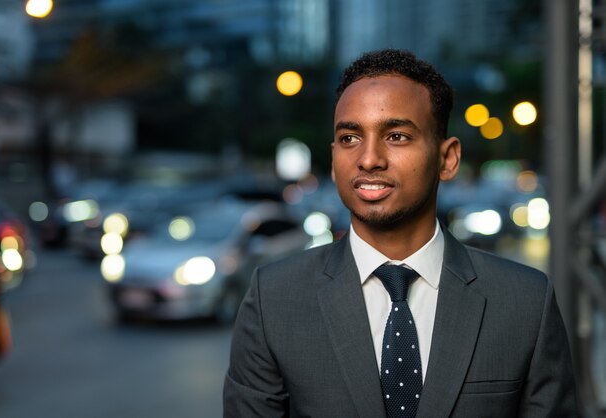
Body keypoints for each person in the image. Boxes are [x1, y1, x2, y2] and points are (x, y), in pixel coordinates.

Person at [223, 49, 577, 417]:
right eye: (349, 138)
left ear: (447, 159)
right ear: (332, 158)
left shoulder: (525, 302)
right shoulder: (274, 299)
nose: (369, 158)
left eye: (396, 136)